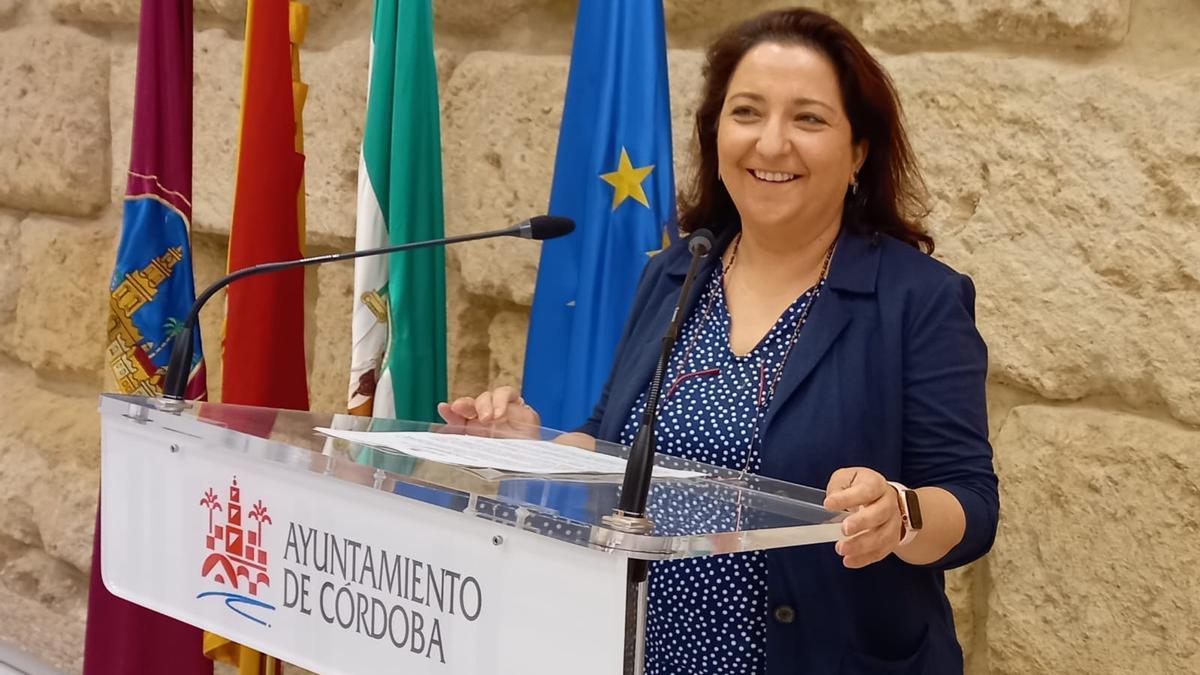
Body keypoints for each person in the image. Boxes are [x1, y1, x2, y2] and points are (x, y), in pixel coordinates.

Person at [439, 7, 998, 674]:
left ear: (858, 151)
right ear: (715, 136)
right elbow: (611, 441)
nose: (770, 143)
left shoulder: (917, 298)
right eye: (747, 112)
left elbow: (970, 503)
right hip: (649, 653)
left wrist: (899, 511)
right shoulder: (678, 269)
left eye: (809, 118)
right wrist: (535, 450)